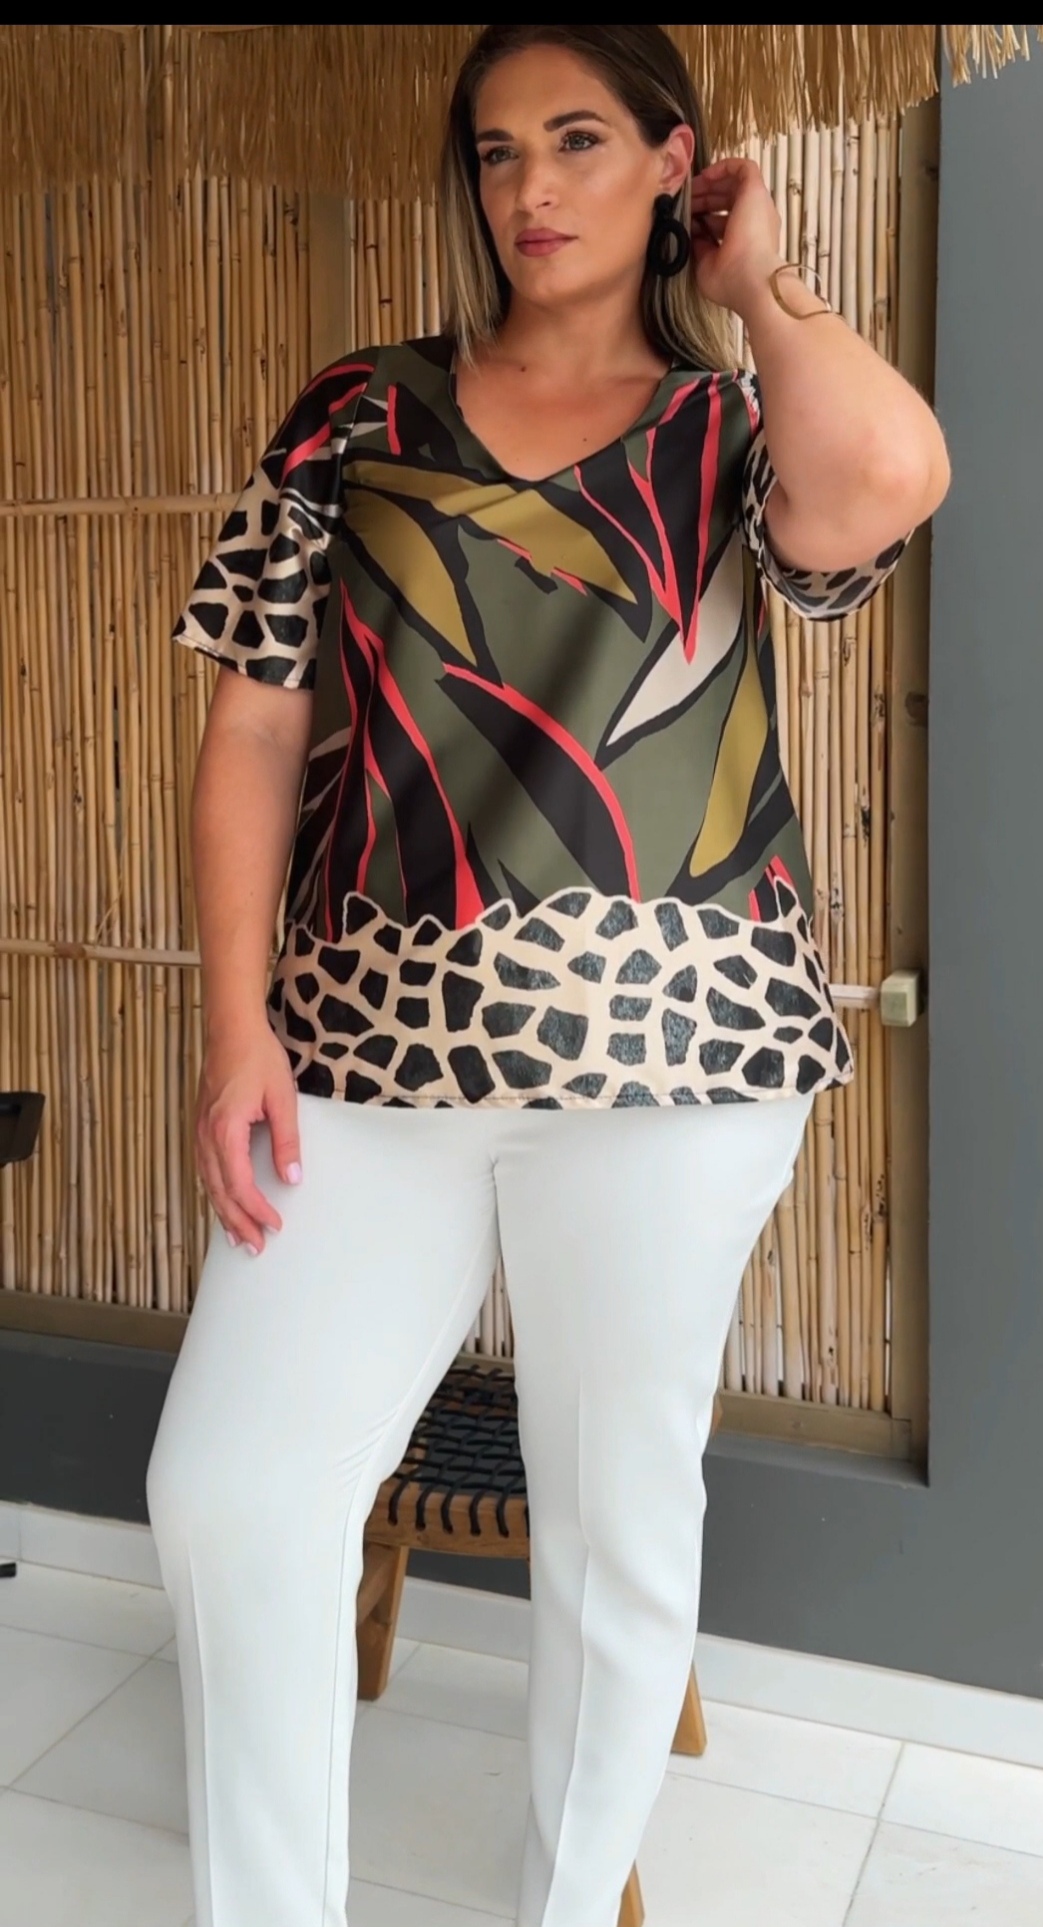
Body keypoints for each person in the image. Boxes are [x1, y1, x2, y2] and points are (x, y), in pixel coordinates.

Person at [146, 23, 950, 1927]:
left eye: (579, 140)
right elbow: (254, 725)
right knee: (230, 1497)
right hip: (362, 1050)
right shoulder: (355, 409)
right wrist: (236, 1027)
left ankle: (570, 1900)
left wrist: (759, 283)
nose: (528, 187)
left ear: (676, 161)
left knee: (615, 1518)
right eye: (498, 150)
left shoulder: (733, 426)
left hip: (683, 1059)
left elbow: (894, 472)